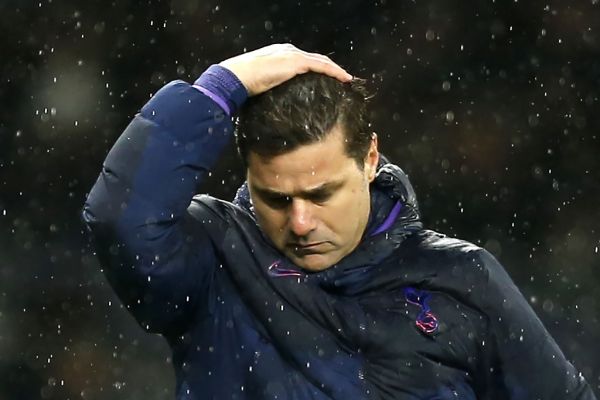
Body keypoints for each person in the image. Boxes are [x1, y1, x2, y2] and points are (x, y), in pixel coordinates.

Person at [82, 44, 597, 399]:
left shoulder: (465, 280)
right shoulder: (216, 259)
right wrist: (222, 85)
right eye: (276, 198)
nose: (301, 222)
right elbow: (120, 221)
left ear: (370, 159)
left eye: (321, 193)